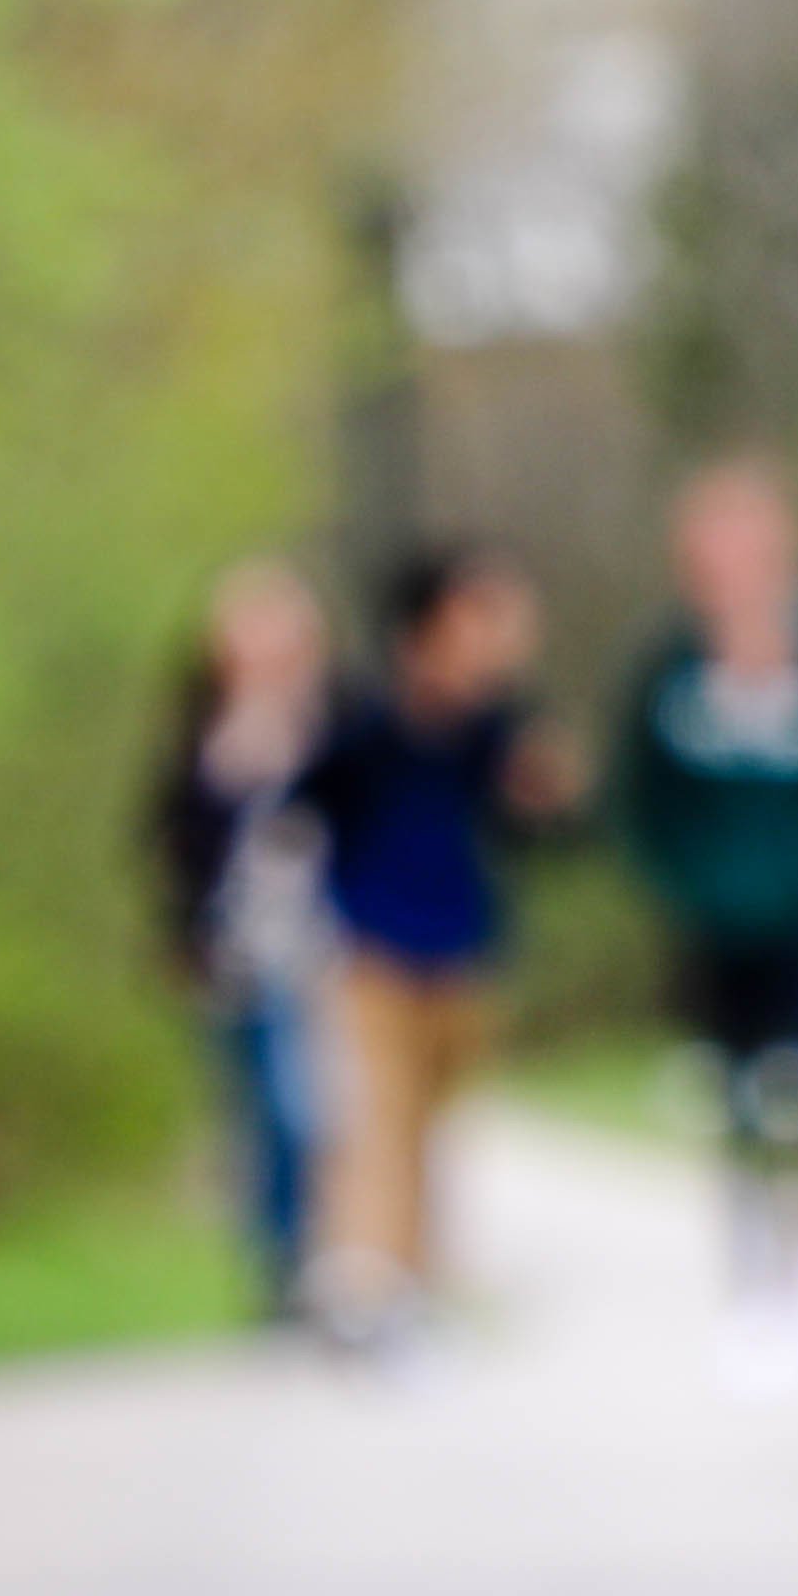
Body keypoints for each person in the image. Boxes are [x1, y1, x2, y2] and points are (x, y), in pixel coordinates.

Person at [605, 458, 798, 1383]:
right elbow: (640, 798)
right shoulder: (669, 662)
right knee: (736, 1097)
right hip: (717, 920)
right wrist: (691, 882)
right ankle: (753, 1289)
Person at [301, 542, 575, 1343]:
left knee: (431, 1123)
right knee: (376, 1118)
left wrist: (544, 795)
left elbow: (542, 834)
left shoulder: (500, 729)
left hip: (460, 949)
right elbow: (309, 804)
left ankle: (412, 1283)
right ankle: (364, 1282)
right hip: (371, 948)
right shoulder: (366, 716)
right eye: (475, 618)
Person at [146, 559, 336, 1330]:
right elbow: (167, 840)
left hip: (328, 943)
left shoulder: (334, 718)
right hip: (238, 952)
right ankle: (277, 1268)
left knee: (323, 1113)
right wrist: (183, 939)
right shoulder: (199, 730)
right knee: (266, 1114)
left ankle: (330, 1256)